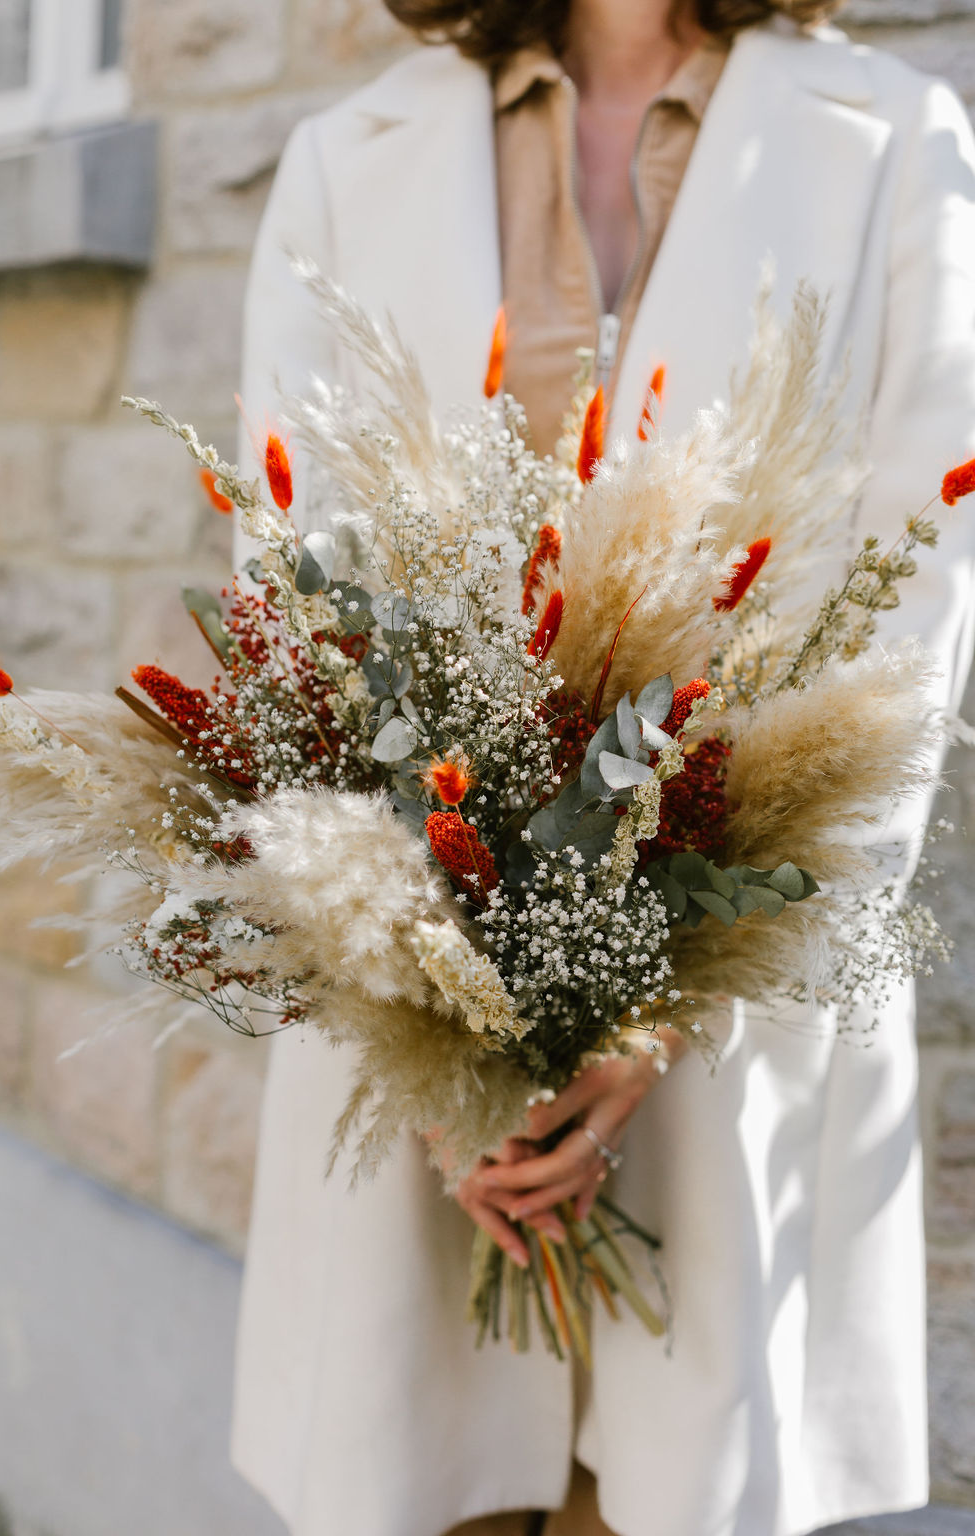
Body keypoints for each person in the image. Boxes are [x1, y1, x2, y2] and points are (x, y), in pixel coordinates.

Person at [231, 0, 975, 1532]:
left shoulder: (899, 144)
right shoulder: (344, 157)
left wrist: (664, 1009)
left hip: (731, 1000)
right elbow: (290, 589)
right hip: (416, 1001)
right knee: (427, 1478)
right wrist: (443, 1042)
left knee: (672, 1486)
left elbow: (916, 606)